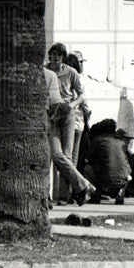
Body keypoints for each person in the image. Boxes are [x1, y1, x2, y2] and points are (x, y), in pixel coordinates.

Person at [45, 64, 96, 206]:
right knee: (59, 156)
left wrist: (72, 106)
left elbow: (82, 98)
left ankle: (64, 195)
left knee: (66, 156)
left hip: (69, 117)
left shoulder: (68, 74)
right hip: (59, 118)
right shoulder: (49, 72)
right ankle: (81, 187)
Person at [85, 119, 132, 204]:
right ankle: (120, 191)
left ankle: (96, 193)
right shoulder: (121, 142)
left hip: (105, 179)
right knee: (124, 169)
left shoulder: (98, 140)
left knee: (87, 168)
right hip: (124, 179)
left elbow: (89, 159)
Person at [65, 52, 91, 178]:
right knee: (73, 158)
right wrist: (88, 112)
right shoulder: (77, 77)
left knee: (66, 156)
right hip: (77, 121)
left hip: (66, 120)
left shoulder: (64, 76)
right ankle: (71, 189)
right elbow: (83, 100)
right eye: (80, 62)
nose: (82, 64)